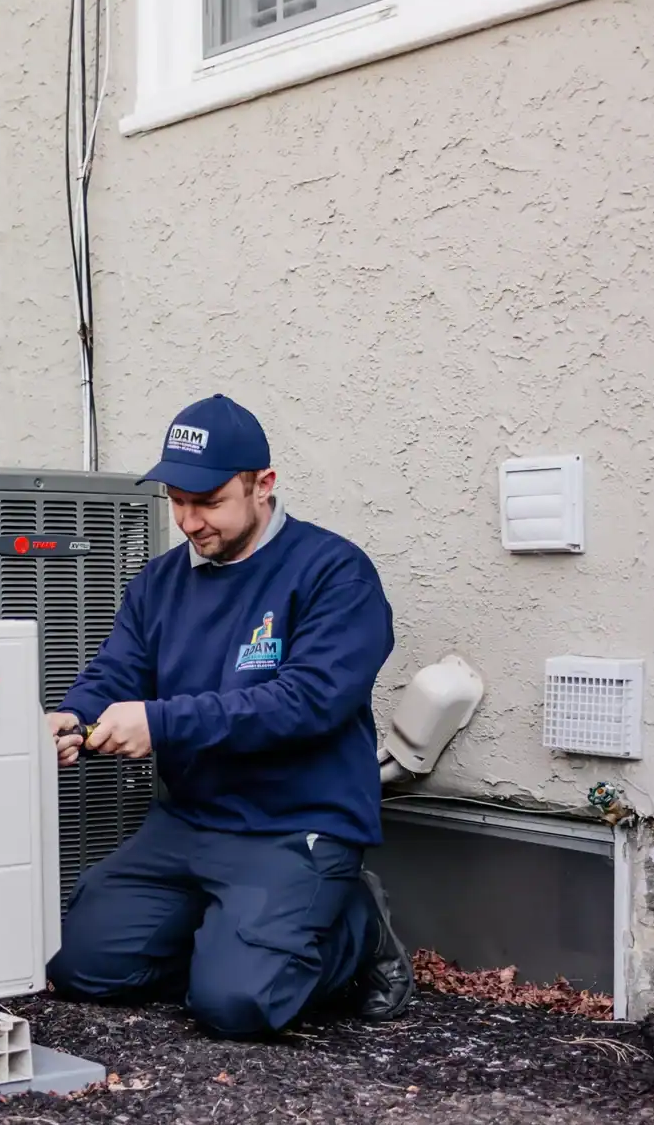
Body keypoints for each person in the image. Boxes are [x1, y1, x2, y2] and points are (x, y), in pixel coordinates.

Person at [43, 393, 414, 1038]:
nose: (189, 520)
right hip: (188, 823)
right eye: (177, 501)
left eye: (208, 501)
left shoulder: (334, 573)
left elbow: (308, 703)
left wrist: (160, 724)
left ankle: (352, 926)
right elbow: (116, 673)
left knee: (236, 1007)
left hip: (294, 825)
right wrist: (72, 716)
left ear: (262, 485)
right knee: (81, 967)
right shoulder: (159, 582)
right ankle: (242, 936)